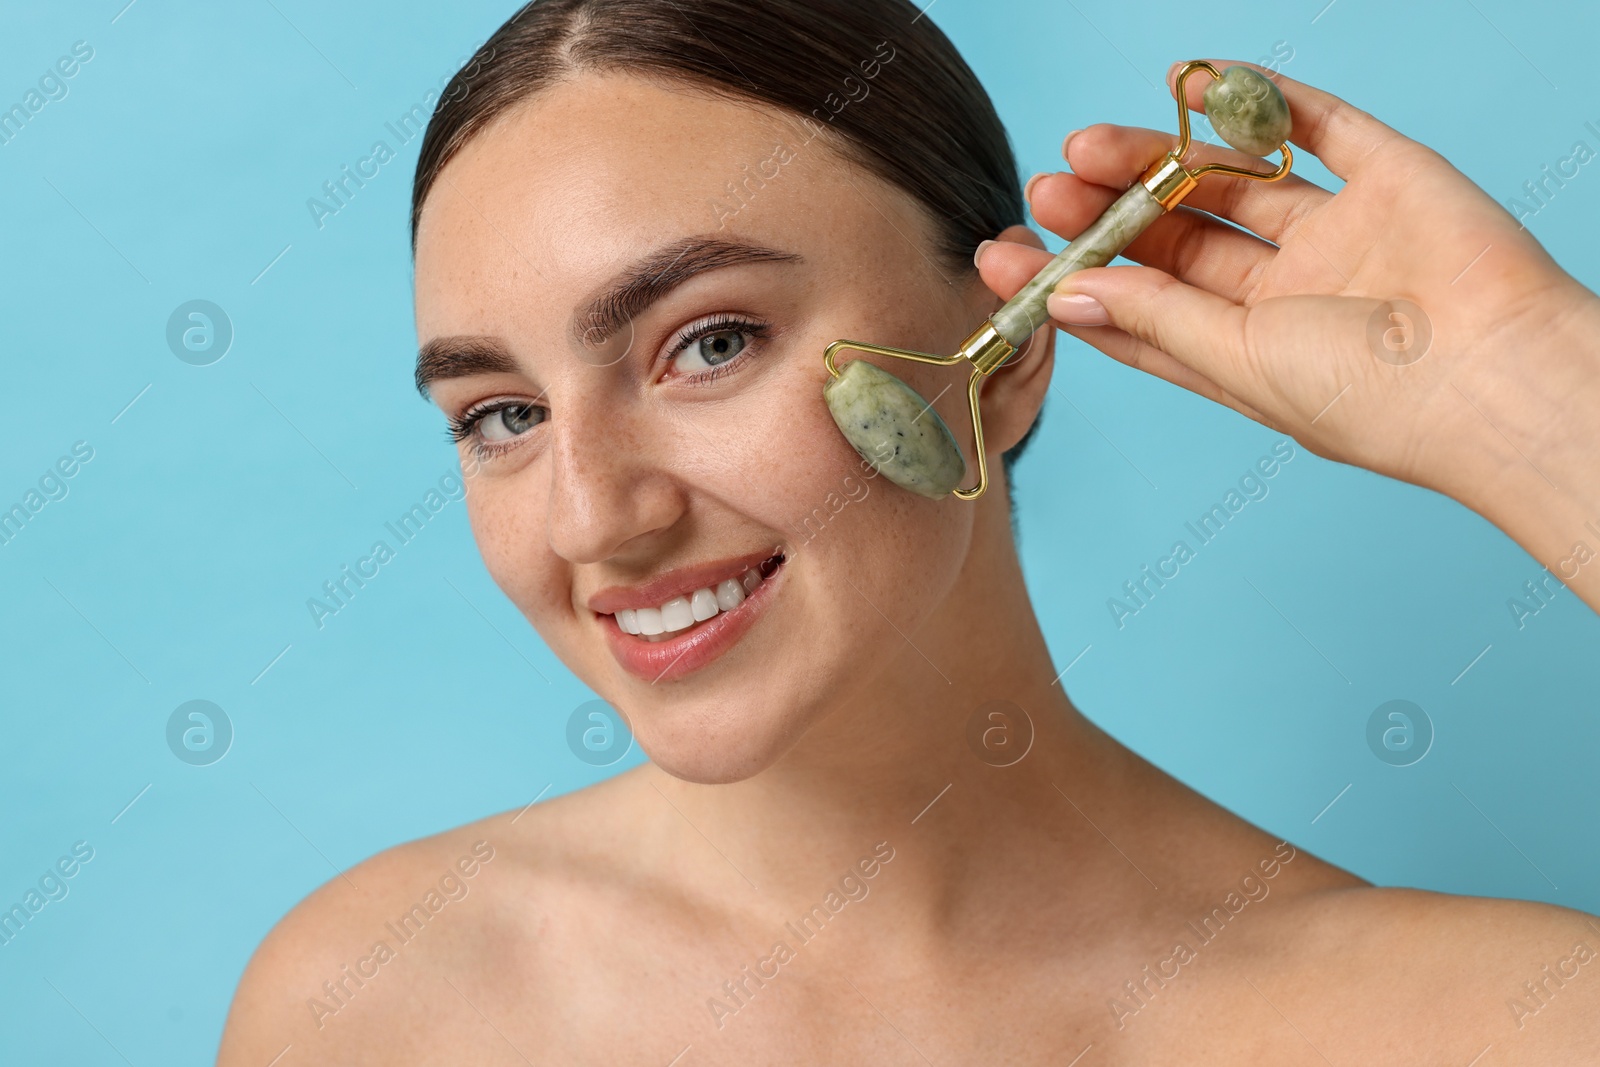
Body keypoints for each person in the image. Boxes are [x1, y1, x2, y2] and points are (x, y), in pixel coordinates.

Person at [218, 1, 1600, 1063]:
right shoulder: (376, 1001)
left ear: (1006, 357)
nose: (593, 515)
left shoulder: (1487, 1022)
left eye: (709, 342)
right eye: (500, 416)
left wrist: (1544, 410)